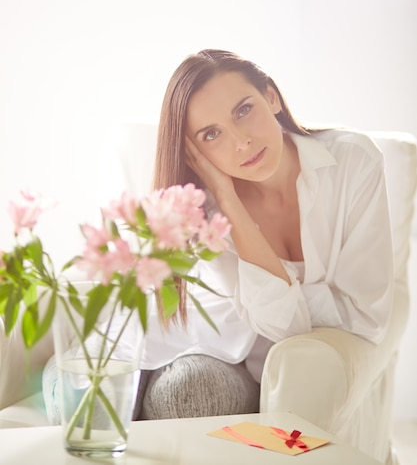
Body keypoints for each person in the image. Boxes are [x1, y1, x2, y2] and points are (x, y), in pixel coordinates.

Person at [42, 49, 394, 423]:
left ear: (271, 96)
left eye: (244, 110)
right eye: (212, 135)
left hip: (221, 357)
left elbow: (357, 317)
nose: (241, 142)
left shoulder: (353, 163)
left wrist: (236, 213)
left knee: (187, 396)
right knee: (83, 410)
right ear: (195, 151)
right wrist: (225, 198)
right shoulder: (202, 212)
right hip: (137, 341)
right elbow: (287, 315)